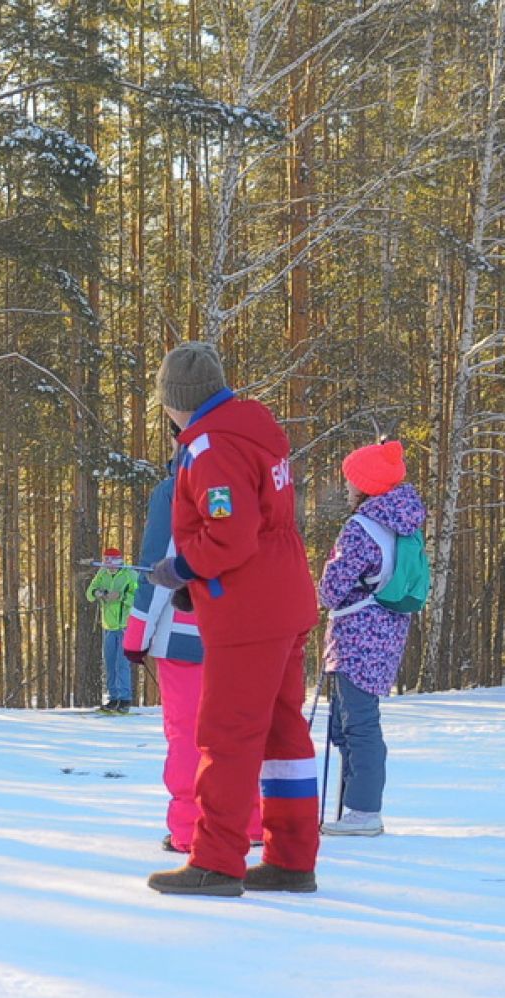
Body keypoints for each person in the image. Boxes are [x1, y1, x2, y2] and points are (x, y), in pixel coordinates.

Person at [142, 342, 321, 897]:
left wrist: (183, 568)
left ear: (174, 401)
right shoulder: (255, 429)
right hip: (284, 597)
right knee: (282, 735)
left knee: (227, 735)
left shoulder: (209, 446)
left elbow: (232, 534)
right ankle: (292, 858)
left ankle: (217, 861)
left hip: (250, 612)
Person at [124, 450, 263, 854]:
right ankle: (250, 818)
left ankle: (188, 826)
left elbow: (157, 569)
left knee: (188, 734)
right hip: (244, 635)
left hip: (186, 635)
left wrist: (136, 635)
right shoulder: (251, 483)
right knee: (237, 730)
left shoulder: (174, 490)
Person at [318, 440, 428, 837]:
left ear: (365, 485)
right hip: (387, 629)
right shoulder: (404, 521)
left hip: (356, 633)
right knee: (355, 719)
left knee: (358, 723)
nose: (346, 487)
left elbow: (333, 585)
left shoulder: (362, 527)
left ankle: (363, 810)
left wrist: (320, 592)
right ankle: (356, 807)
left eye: (350, 481)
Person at [86, 547, 138, 712]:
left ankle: (124, 699)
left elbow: (140, 595)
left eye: (114, 563)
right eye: (108, 563)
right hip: (108, 626)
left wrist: (122, 597)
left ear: (120, 561)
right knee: (109, 663)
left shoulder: (129, 574)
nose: (111, 567)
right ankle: (113, 697)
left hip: (125, 626)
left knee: (122, 663)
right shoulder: (102, 574)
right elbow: (89, 593)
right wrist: (99, 592)